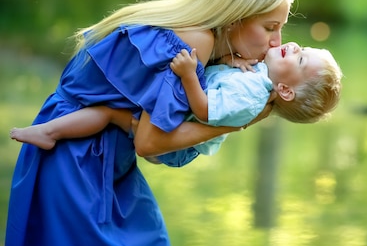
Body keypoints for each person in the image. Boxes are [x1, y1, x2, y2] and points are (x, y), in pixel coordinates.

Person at [3, 0, 295, 246]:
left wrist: (229, 66)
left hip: (113, 161)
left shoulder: (211, 49)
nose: (276, 42)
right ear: (234, 16)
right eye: (270, 28)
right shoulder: (196, 40)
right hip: (72, 157)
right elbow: (151, 144)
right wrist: (237, 122)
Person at [9, 42, 343, 166]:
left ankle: (49, 133)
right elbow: (220, 78)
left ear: (284, 91)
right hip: (181, 123)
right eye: (304, 48)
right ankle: (52, 131)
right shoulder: (256, 75)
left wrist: (187, 75)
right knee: (112, 111)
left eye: (300, 60)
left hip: (176, 145)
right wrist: (231, 58)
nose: (294, 45)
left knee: (112, 113)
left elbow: (205, 110)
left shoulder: (253, 94)